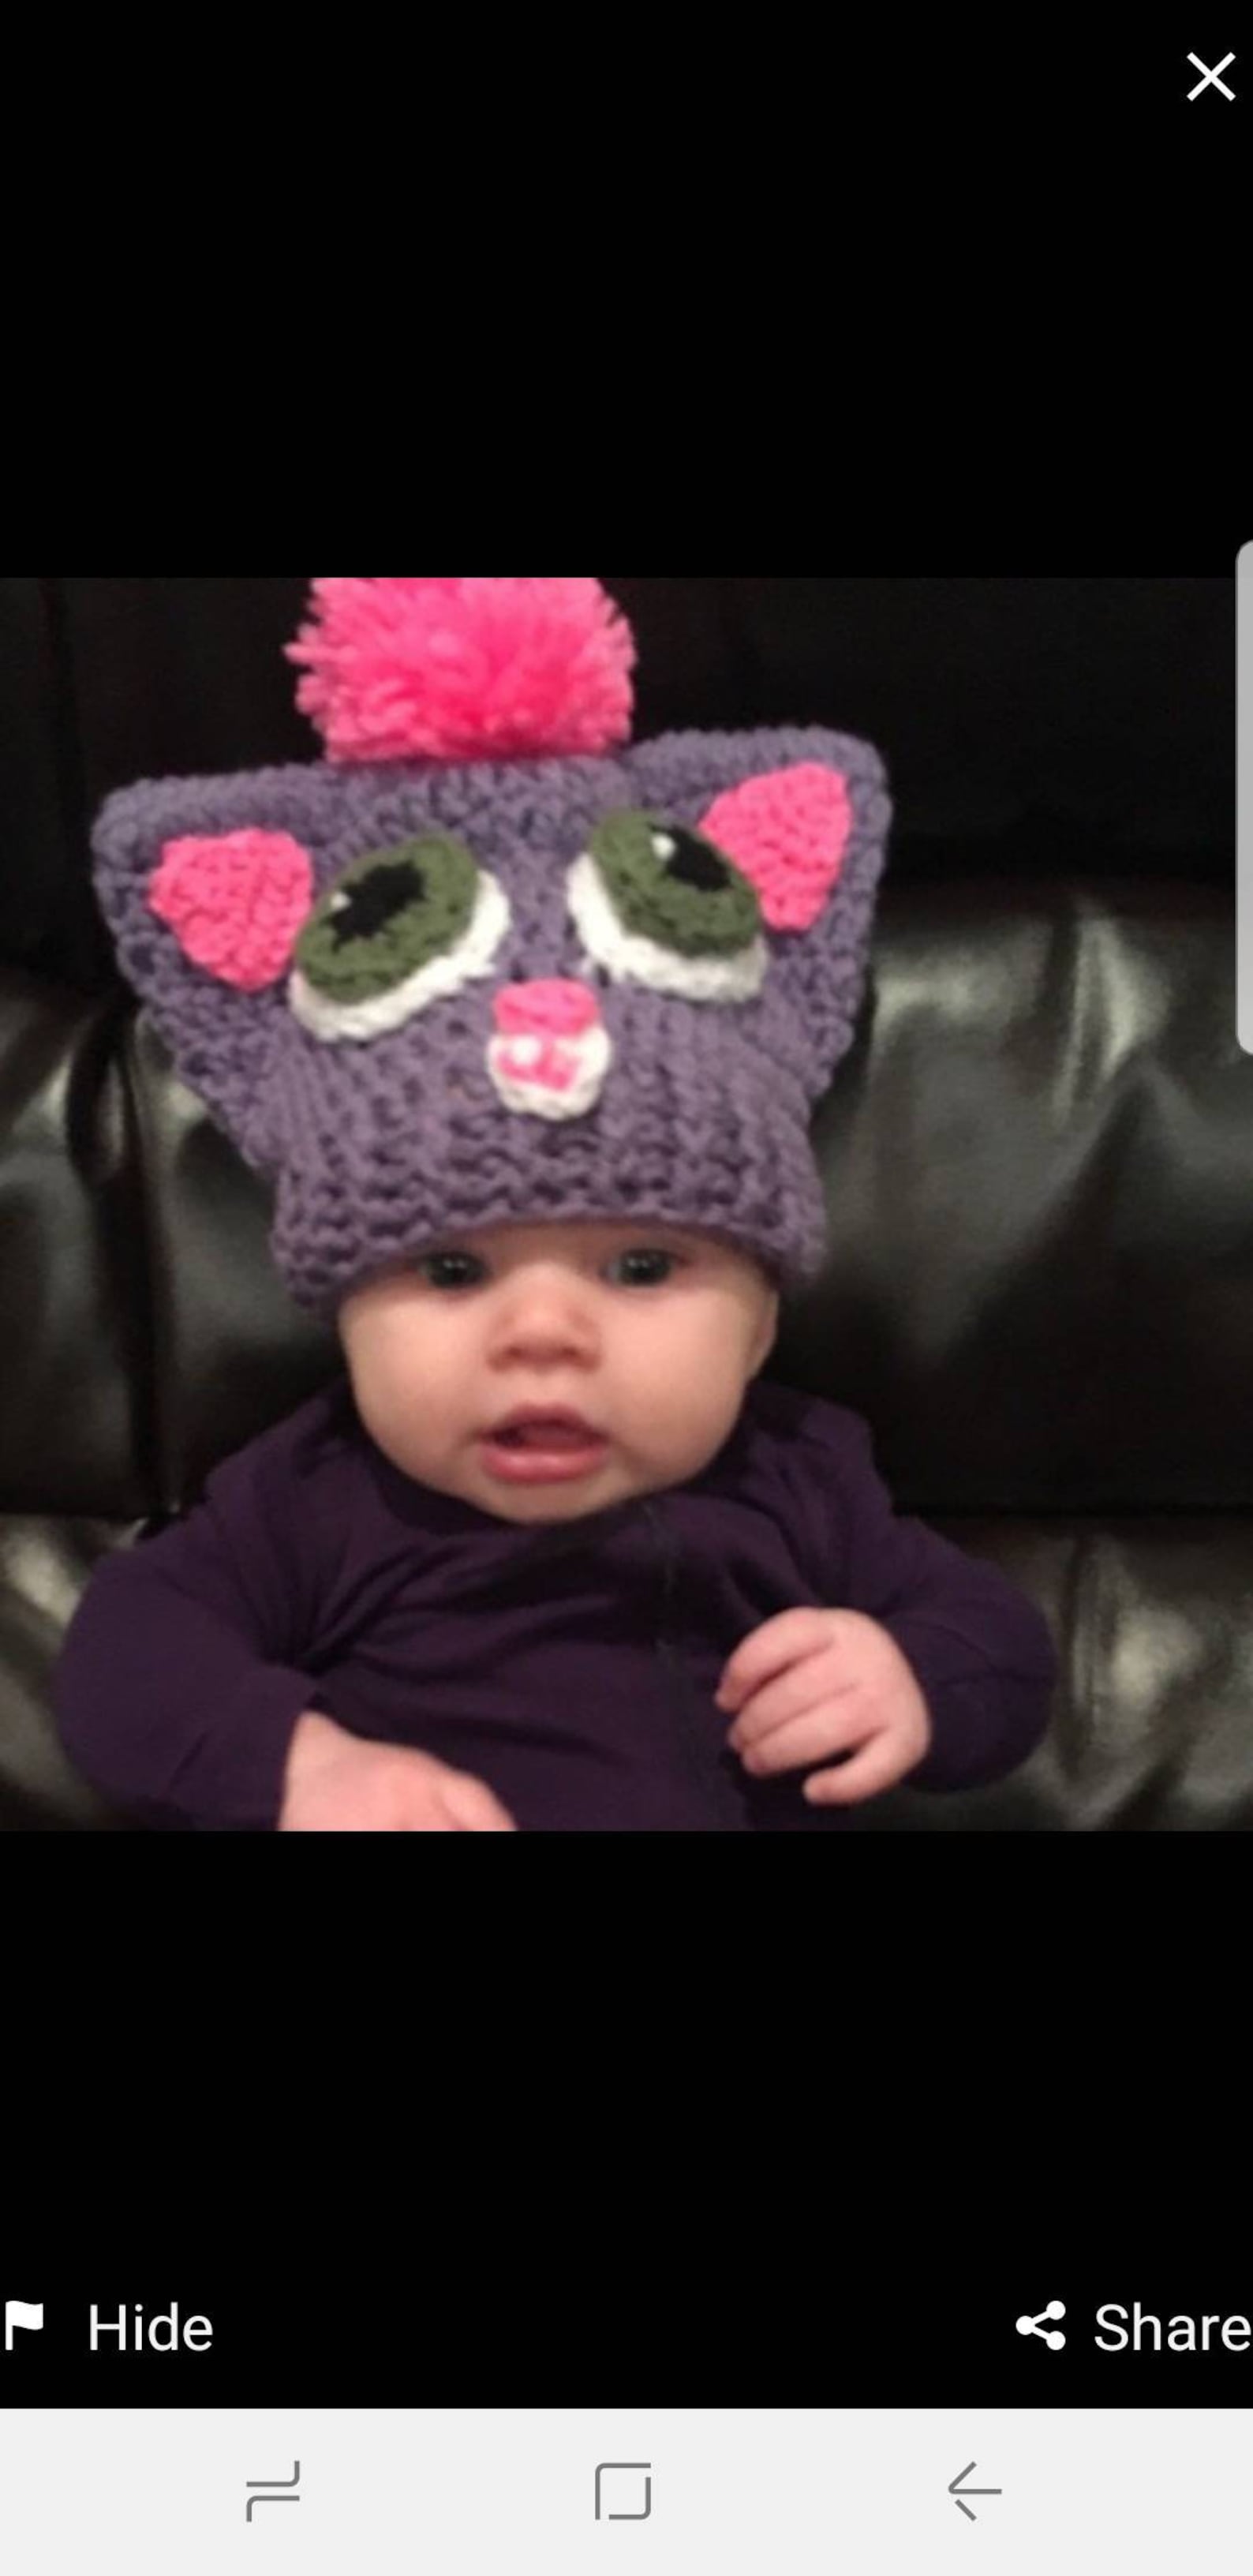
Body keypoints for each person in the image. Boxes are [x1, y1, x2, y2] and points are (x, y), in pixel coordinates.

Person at [54, 576, 1058, 1833]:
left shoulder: (802, 1481)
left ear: (759, 1329)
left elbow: (1007, 1652)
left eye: (641, 1268)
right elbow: (123, 1658)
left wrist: (912, 1673)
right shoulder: (310, 1501)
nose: (541, 1333)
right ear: (341, 1314)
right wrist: (304, 1766)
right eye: (452, 1270)